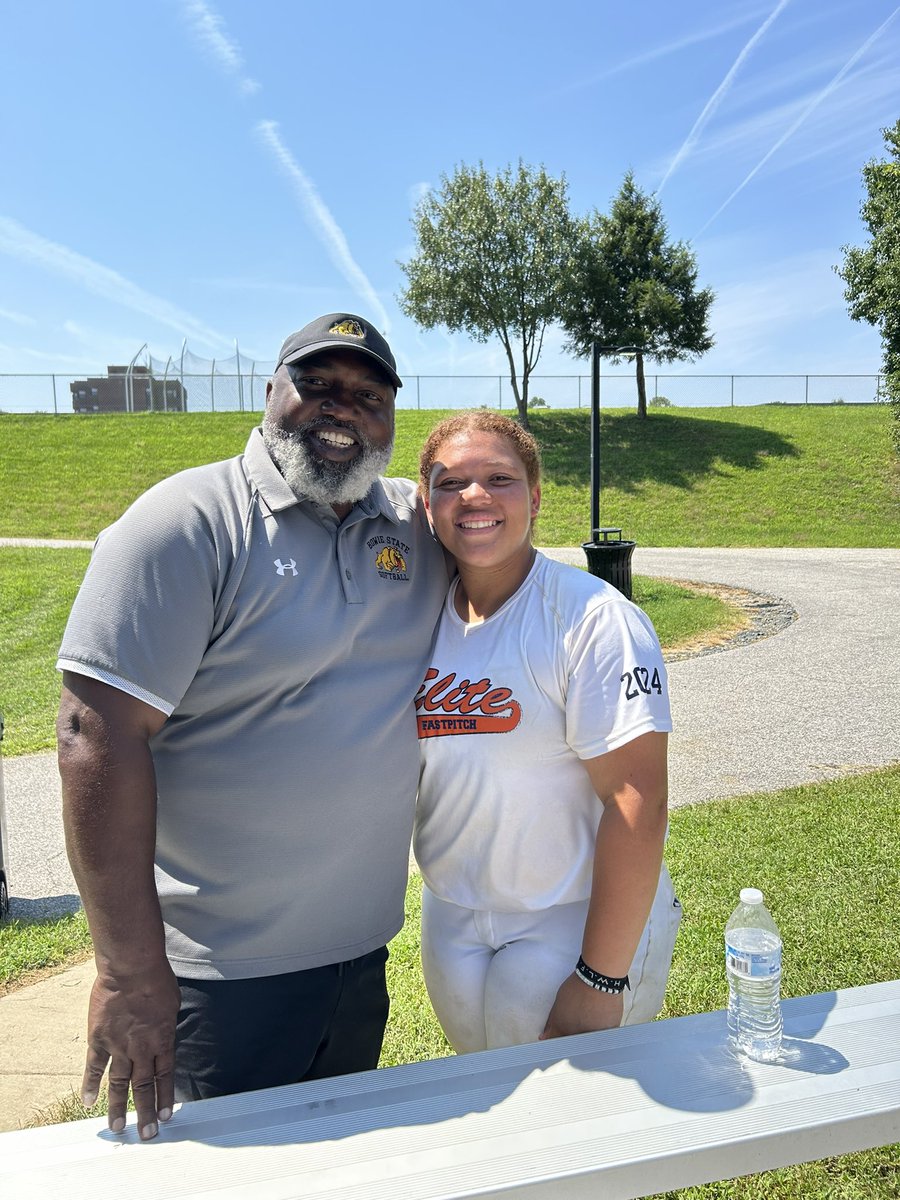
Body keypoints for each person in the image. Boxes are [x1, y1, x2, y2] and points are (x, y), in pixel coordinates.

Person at [56, 313, 449, 1139]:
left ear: (390, 421)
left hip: (357, 961)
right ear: (271, 392)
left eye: (368, 397)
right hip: (216, 982)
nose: (342, 412)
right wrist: (129, 974)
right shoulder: (187, 523)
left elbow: (506, 554)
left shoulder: (415, 525)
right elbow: (95, 736)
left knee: (333, 1174)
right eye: (318, 386)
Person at [414, 411, 681, 1053]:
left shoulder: (593, 617)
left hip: (568, 915)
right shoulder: (415, 616)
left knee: (584, 1128)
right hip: (453, 910)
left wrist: (601, 975)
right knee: (493, 1112)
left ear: (533, 498)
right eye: (450, 483)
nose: (473, 496)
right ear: (427, 507)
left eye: (498, 479)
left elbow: (637, 801)